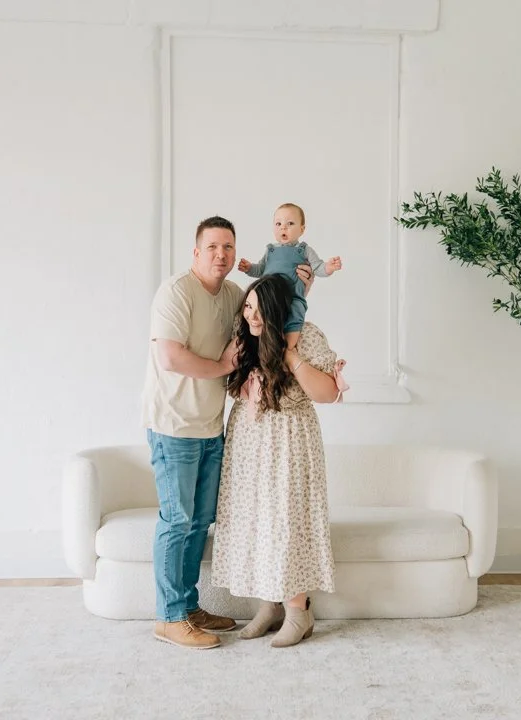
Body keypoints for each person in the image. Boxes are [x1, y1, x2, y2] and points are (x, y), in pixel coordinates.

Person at [142, 216, 315, 651]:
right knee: (177, 520)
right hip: (174, 426)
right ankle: (169, 617)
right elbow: (169, 357)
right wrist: (223, 368)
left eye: (228, 247)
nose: (221, 255)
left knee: (200, 521)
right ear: (196, 252)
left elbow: (268, 310)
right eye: (212, 247)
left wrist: (303, 290)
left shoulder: (235, 295)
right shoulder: (177, 292)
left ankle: (188, 607)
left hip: (211, 426)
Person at [210, 273, 347, 648]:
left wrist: (290, 354)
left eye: (259, 309)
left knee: (288, 521)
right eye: (248, 307)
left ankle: (298, 610)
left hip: (289, 440)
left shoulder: (304, 335)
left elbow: (327, 392)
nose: (252, 316)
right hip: (250, 443)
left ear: (277, 310)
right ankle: (268, 605)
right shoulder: (245, 338)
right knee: (256, 521)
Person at [237, 203, 342, 352]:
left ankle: (287, 348)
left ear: (302, 229)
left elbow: (318, 267)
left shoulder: (303, 250)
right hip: (270, 299)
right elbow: (260, 269)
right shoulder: (270, 250)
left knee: (295, 313)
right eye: (278, 224)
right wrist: (249, 268)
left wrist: (329, 267)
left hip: (292, 297)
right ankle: (264, 347)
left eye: (290, 223)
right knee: (264, 317)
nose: (283, 228)